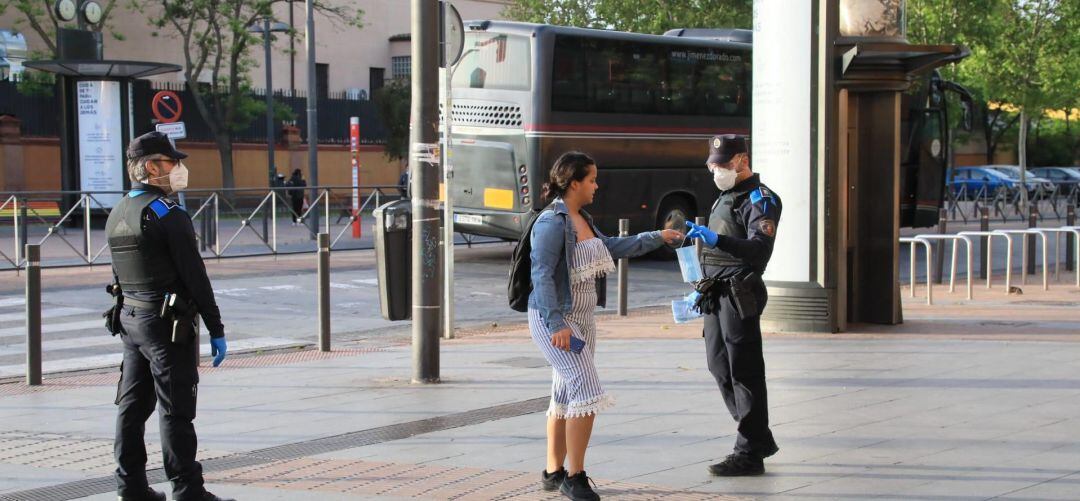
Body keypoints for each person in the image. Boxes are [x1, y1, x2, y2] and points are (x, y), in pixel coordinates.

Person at [529, 151, 683, 500]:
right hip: (555, 321)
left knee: (565, 392)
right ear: (573, 183)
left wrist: (657, 236)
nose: (597, 185)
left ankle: (553, 472)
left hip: (582, 321)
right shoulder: (552, 223)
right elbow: (541, 275)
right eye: (592, 179)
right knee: (586, 388)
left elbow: (610, 246)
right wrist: (556, 324)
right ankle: (575, 476)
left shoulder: (582, 217)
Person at [106, 131, 233, 501]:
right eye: (171, 162)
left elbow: (119, 272)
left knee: (131, 408)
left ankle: (130, 488)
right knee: (176, 409)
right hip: (166, 327)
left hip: (131, 320)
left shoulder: (118, 212)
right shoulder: (168, 214)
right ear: (151, 167)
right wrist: (216, 328)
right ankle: (187, 489)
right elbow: (195, 276)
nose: (178, 169)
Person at [685, 134, 782, 476]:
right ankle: (756, 436)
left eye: (723, 165)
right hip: (715, 291)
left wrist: (718, 239)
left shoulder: (761, 199)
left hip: (741, 291)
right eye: (712, 165)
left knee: (744, 369)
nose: (716, 171)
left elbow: (758, 248)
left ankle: (750, 450)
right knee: (718, 365)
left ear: (742, 160)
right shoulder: (725, 196)